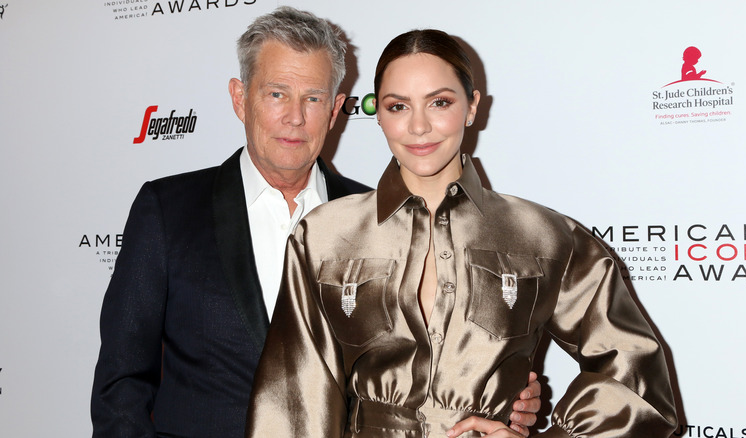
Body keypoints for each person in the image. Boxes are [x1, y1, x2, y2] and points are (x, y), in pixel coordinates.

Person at [90, 8, 540, 438]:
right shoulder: (168, 210)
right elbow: (121, 380)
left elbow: (420, 367)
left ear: (335, 107)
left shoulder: (381, 216)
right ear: (240, 98)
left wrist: (503, 390)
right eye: (276, 93)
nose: (294, 117)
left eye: (313, 98)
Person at [245, 29, 678, 437]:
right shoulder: (323, 236)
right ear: (377, 114)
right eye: (398, 106)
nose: (418, 127)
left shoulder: (545, 236)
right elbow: (294, 401)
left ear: (471, 106)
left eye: (439, 103)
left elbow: (635, 372)